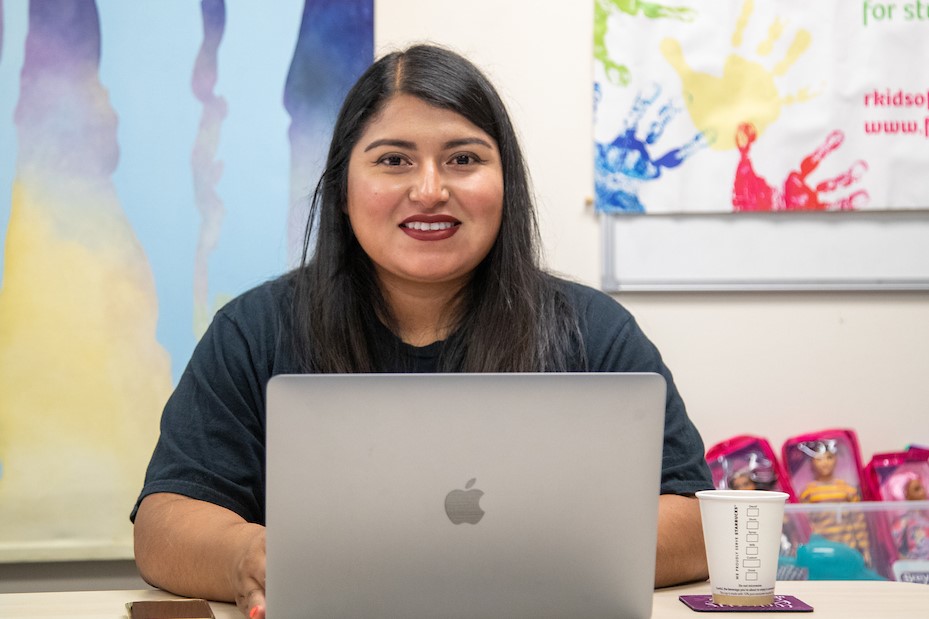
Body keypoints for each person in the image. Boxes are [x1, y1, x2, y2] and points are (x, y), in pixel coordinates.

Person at [131, 44, 712, 619]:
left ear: (506, 184)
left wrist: (518, 561)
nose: (430, 190)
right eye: (393, 160)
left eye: (463, 159)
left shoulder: (591, 331)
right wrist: (243, 554)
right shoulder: (253, 331)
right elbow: (165, 524)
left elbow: (694, 520)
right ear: (342, 189)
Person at [797, 440, 872, 565]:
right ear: (812, 462)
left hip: (847, 547)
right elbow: (805, 523)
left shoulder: (847, 489)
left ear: (836, 459)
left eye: (829, 457)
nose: (825, 463)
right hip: (822, 548)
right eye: (819, 459)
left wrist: (865, 549)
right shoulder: (808, 492)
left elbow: (858, 521)